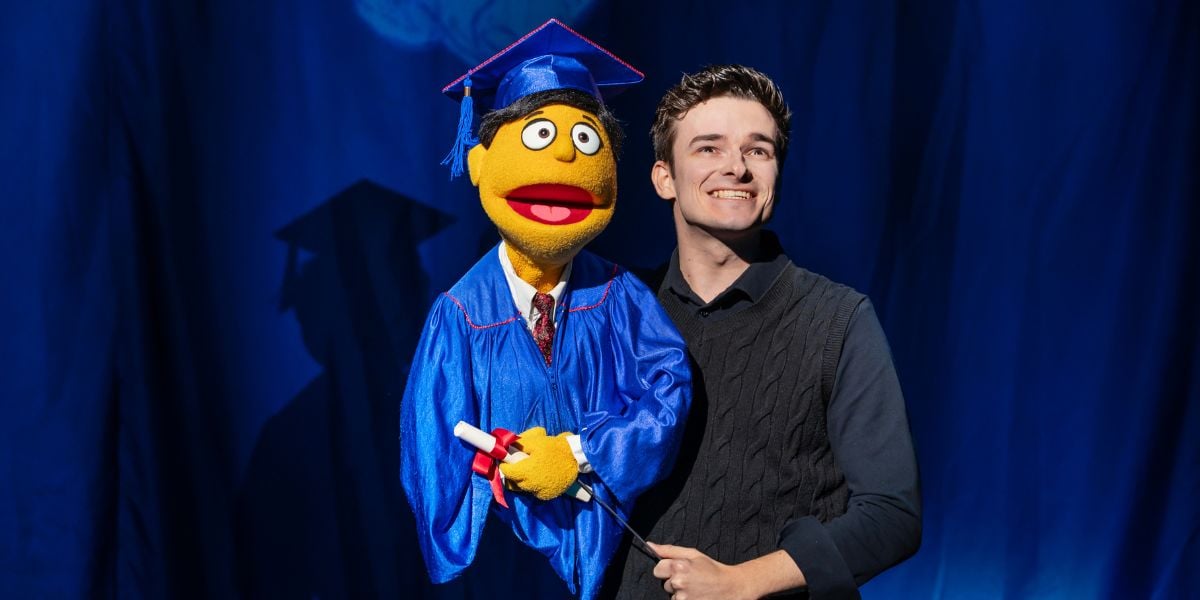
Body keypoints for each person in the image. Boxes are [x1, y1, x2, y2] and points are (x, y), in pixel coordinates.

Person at [604, 64, 921, 599]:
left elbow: (892, 515)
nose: (737, 169)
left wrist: (741, 583)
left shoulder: (838, 319)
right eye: (708, 148)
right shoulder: (616, 311)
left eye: (758, 151)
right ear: (664, 177)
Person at [400, 19, 691, 600]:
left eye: (585, 142)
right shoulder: (459, 316)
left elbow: (670, 389)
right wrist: (498, 481)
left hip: (620, 554)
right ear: (482, 163)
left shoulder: (619, 297)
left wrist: (578, 453)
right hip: (504, 566)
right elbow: (430, 451)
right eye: (538, 136)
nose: (562, 157)